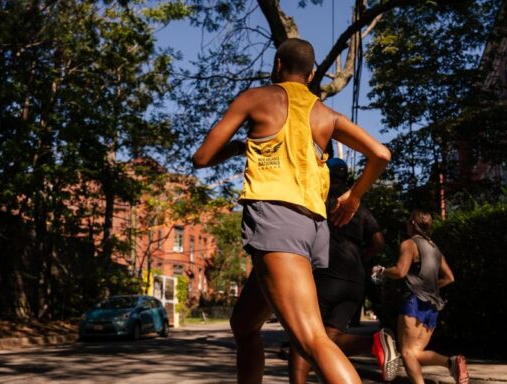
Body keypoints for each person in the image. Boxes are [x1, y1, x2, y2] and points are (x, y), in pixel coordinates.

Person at [192, 38, 391, 384]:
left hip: (276, 221)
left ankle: (368, 351)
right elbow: (381, 154)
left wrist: (241, 146)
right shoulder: (326, 114)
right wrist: (354, 195)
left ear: (278, 64)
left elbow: (202, 157)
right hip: (312, 229)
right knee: (244, 324)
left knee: (312, 338)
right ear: (313, 73)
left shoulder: (256, 98)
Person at [289, 157, 401, 383]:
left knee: (302, 340)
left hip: (326, 275)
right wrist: (361, 256)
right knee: (328, 341)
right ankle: (373, 342)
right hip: (355, 278)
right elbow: (378, 242)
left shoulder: (319, 199)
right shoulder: (358, 204)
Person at [372, 210, 469, 384]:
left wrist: (383, 271)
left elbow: (401, 271)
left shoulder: (409, 244)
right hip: (433, 307)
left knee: (407, 352)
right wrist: (430, 287)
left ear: (412, 224)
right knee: (415, 353)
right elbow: (449, 278)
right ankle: (451, 362)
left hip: (414, 303)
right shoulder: (435, 248)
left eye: (408, 222)